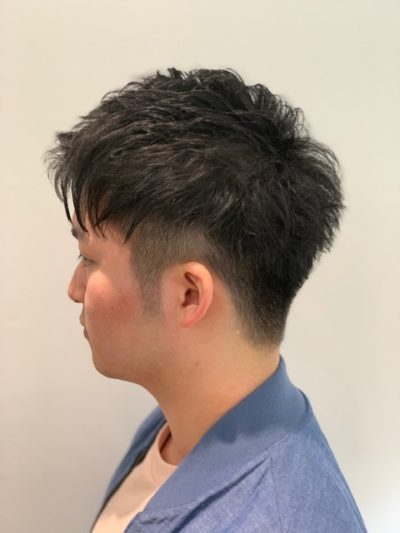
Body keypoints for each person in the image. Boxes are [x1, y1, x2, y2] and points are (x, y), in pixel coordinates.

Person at [46, 67, 367, 532]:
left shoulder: (273, 519)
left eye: (89, 259)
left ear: (188, 295)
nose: (74, 289)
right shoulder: (174, 427)